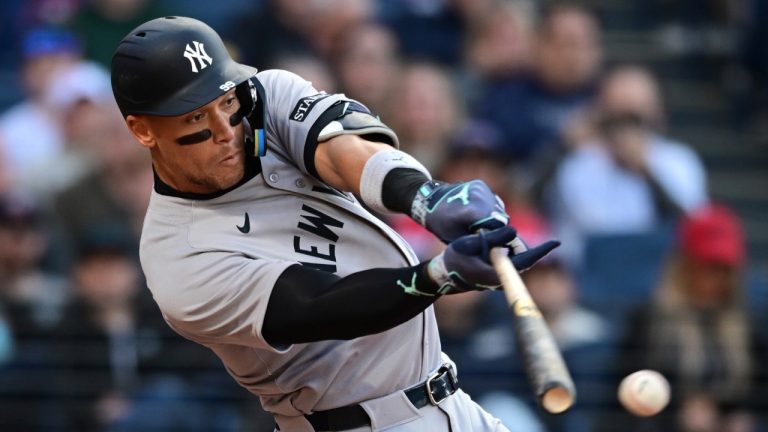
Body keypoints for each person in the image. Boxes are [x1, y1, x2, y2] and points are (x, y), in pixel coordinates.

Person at [110, 16, 558, 432]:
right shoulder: (178, 259)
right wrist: (437, 276)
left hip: (449, 401)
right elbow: (319, 305)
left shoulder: (262, 98)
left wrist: (426, 198)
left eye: (226, 102)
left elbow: (345, 154)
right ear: (143, 130)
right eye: (194, 117)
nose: (227, 130)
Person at [602, 204, 767, 432]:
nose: (717, 277)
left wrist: (740, 415)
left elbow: (757, 388)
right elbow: (628, 390)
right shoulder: (650, 318)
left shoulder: (747, 321)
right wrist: (677, 411)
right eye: (708, 267)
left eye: (724, 269)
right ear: (685, 265)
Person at [548, 65, 708, 265]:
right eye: (620, 117)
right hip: (595, 271)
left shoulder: (679, 160)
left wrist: (646, 173)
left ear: (657, 112)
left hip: (662, 269)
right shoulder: (579, 163)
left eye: (635, 119)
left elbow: (691, 227)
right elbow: (595, 229)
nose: (627, 131)